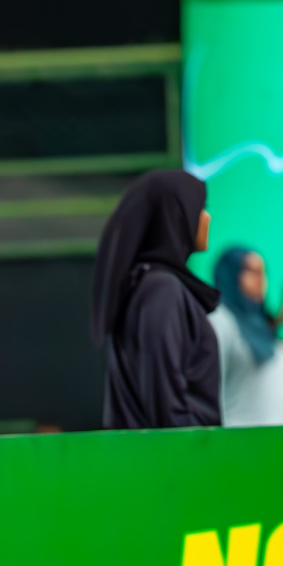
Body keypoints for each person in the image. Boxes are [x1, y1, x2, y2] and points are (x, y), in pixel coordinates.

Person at [92, 169, 222, 429]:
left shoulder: (147, 285)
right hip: (180, 460)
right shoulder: (161, 290)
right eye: (200, 207)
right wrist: (191, 455)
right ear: (178, 215)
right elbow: (165, 397)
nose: (207, 217)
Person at [207, 247, 283, 426]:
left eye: (262, 273)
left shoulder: (265, 327)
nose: (260, 281)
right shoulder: (220, 320)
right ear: (230, 274)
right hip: (240, 445)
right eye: (250, 271)